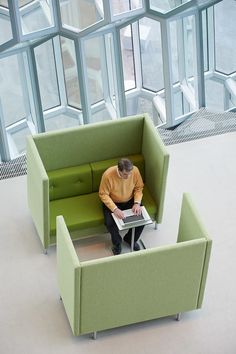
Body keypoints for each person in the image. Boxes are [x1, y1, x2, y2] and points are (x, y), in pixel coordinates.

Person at [99, 158, 145, 255]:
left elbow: (139, 187)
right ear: (119, 170)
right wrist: (115, 209)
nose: (128, 176)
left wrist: (137, 203)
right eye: (125, 174)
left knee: (142, 218)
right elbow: (103, 194)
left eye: (130, 174)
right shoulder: (108, 175)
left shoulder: (135, 170)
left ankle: (130, 239)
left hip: (131, 199)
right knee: (109, 223)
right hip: (113, 202)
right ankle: (117, 243)